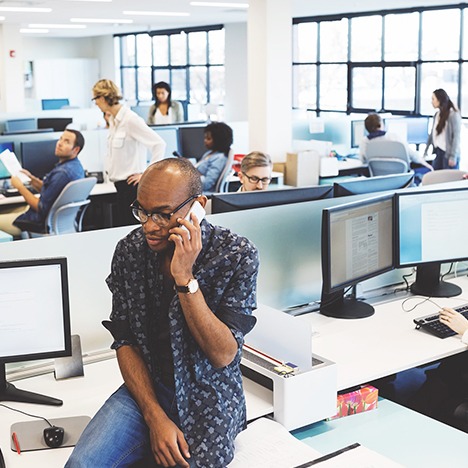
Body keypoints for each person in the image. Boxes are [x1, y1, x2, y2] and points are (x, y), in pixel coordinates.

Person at [66, 158, 259, 468]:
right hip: (147, 387)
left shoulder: (235, 254)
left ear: (198, 206)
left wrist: (185, 278)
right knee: (81, 465)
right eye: (142, 211)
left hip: (207, 394)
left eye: (163, 214)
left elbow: (223, 354)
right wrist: (154, 415)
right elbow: (124, 338)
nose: (149, 225)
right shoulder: (130, 251)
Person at [92, 79, 167, 226]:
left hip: (131, 187)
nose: (95, 103)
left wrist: (147, 174)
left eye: (95, 99)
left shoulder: (130, 120)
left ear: (102, 97)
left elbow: (159, 144)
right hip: (120, 186)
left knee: (133, 232)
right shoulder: (114, 120)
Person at [0, 129, 85, 237]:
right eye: (61, 139)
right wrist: (31, 179)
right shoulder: (76, 167)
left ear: (76, 149)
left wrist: (20, 187)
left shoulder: (62, 173)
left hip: (39, 221)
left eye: (66, 141)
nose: (59, 143)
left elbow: (41, 207)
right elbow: (53, 193)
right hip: (55, 220)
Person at [359, 113, 434, 184]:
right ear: (381, 124)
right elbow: (413, 156)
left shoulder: (365, 142)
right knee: (426, 171)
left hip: (379, 182)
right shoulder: (394, 137)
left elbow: (363, 161)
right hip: (402, 181)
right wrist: (427, 165)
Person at [424, 88, 462, 170]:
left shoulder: (453, 115)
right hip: (439, 151)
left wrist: (453, 156)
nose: (432, 101)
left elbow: (456, 137)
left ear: (439, 100)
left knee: (448, 180)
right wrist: (425, 151)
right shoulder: (437, 115)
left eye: (433, 99)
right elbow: (432, 134)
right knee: (436, 177)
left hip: (448, 154)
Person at [195, 121, 233, 194]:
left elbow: (206, 184)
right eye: (205, 138)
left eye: (208, 139)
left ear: (218, 140)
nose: (205, 141)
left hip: (204, 193)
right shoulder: (209, 153)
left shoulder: (219, 158)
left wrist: (195, 174)